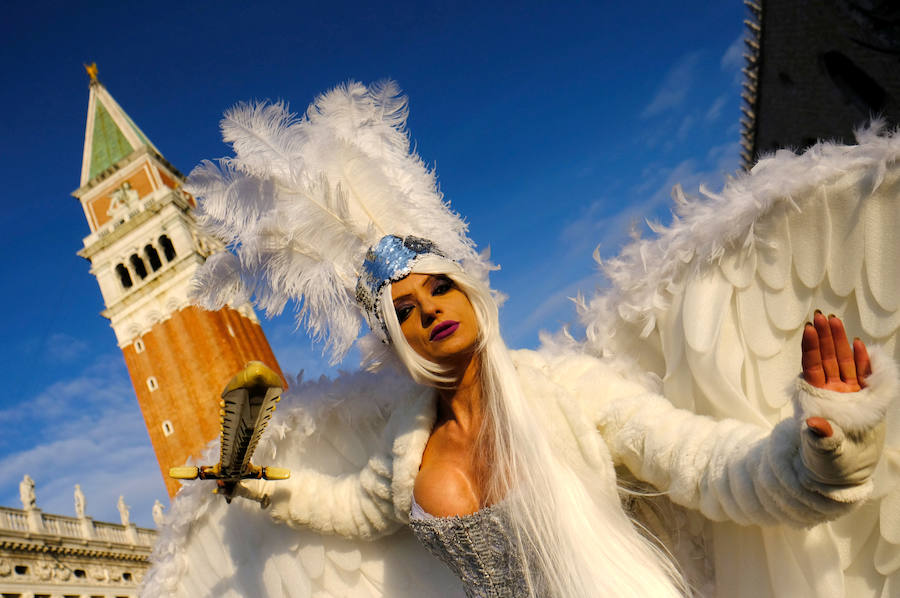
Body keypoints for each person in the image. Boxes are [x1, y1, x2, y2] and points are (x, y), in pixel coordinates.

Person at [143, 83, 899, 598]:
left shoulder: (564, 389)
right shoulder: (406, 445)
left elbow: (708, 467)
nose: (430, 310)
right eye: (406, 309)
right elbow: (347, 508)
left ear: (472, 292)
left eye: (440, 288)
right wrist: (252, 481)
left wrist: (831, 447)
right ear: (396, 340)